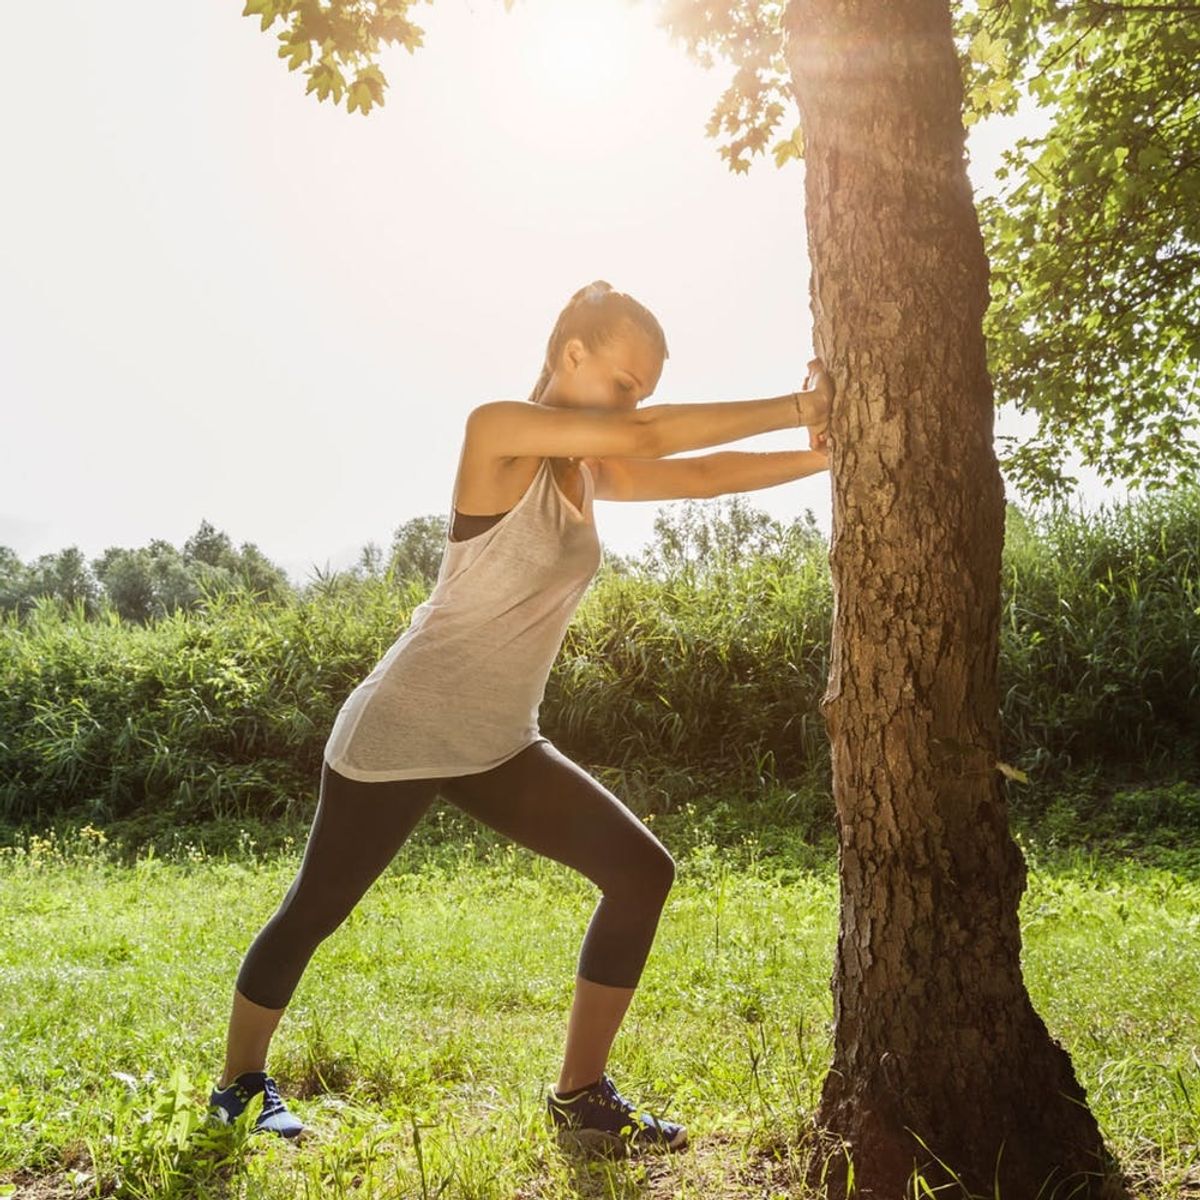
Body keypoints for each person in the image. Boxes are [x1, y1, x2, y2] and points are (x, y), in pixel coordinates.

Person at [206, 279, 833, 1157]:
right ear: (570, 352)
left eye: (640, 395)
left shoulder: (586, 469)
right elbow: (653, 440)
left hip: (499, 741)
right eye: (623, 384)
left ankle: (580, 1098)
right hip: (403, 727)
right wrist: (806, 402)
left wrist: (827, 453)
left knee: (641, 873)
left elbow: (697, 475)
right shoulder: (496, 433)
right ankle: (238, 1087)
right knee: (316, 909)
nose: (631, 408)